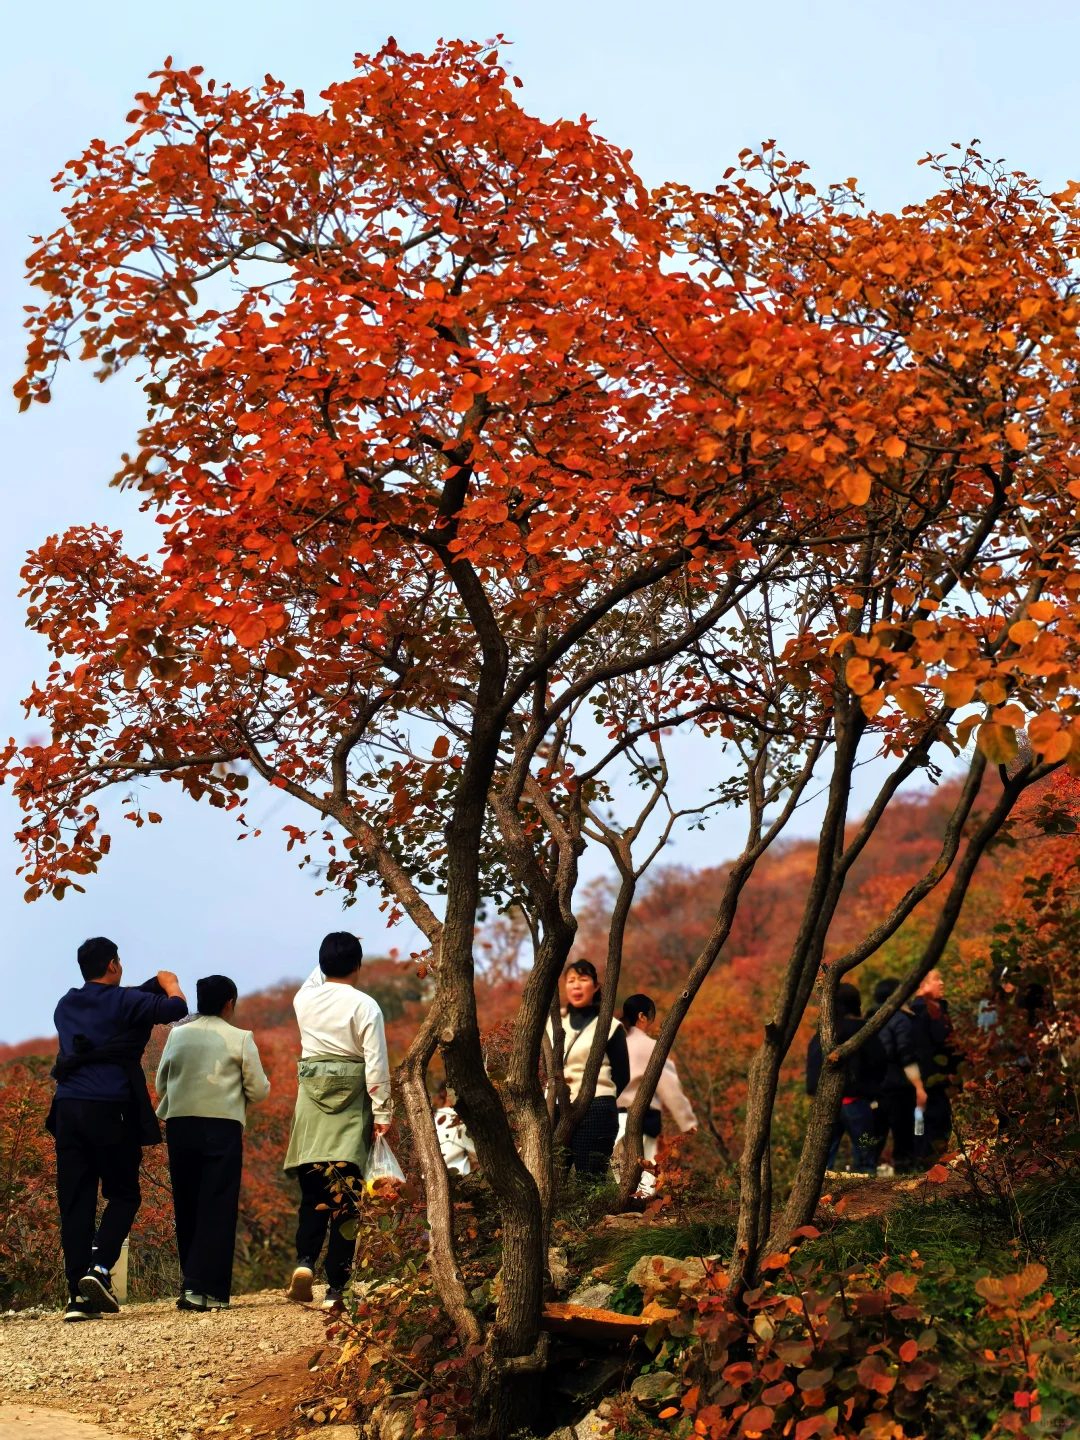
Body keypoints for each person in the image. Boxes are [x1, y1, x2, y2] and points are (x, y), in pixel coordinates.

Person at [49, 937, 188, 1322]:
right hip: (111, 1109)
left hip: (67, 1109)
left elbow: (107, 1020)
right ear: (112, 965)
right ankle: (100, 1267)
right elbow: (176, 1008)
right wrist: (168, 979)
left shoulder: (66, 1004)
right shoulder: (124, 1002)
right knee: (124, 1194)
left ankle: (77, 1299)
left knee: (75, 1203)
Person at [283, 933, 392, 1310]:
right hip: (351, 1103)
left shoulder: (304, 1000)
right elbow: (376, 1063)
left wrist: (328, 957)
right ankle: (336, 1289)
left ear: (322, 963)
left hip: (311, 1103)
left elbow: (315, 978)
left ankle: (305, 1263)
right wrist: (383, 1113)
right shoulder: (366, 1006)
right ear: (358, 967)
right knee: (346, 1199)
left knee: (312, 1192)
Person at [155, 975, 270, 1312]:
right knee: (217, 1206)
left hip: (180, 1125)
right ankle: (212, 1291)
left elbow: (162, 1082)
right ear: (229, 1003)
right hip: (221, 1126)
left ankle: (190, 1284)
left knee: (187, 1202)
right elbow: (260, 1090)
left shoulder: (177, 1035)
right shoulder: (241, 1038)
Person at [547, 960, 630, 1178]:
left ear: (595, 986)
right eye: (571, 980)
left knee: (589, 1178)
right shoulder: (553, 1024)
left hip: (597, 1108)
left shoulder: (610, 1026)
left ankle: (595, 1213)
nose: (576, 986)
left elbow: (623, 1074)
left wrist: (601, 1097)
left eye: (583, 980)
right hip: (557, 1107)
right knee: (552, 1178)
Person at [615, 994, 696, 1197]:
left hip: (614, 1114)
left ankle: (624, 1200)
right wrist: (687, 1121)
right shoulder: (652, 1047)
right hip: (646, 1115)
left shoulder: (614, 1046)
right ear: (642, 1016)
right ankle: (643, 1204)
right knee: (648, 1167)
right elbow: (669, 1087)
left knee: (618, 1166)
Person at [805, 983, 887, 1174]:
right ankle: (865, 1199)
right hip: (857, 1101)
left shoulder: (823, 1033)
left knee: (823, 1161)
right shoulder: (863, 1032)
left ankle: (821, 1198)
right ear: (856, 1004)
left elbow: (812, 1069)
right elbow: (879, 1063)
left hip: (825, 1103)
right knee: (865, 1157)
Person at [872, 978, 927, 1175]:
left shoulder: (871, 1019)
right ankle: (906, 1180)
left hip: (875, 1090)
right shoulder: (901, 1020)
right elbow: (906, 1055)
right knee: (904, 1139)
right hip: (898, 1089)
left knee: (874, 1140)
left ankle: (867, 1176)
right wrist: (919, 1086)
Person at [910, 969, 960, 1164]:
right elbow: (942, 1045)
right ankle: (930, 1166)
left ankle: (924, 1163)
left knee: (925, 1124)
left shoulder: (922, 1011)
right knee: (936, 1123)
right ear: (922, 985)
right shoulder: (927, 1013)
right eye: (936, 979)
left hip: (928, 1080)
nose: (942, 983)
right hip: (933, 1080)